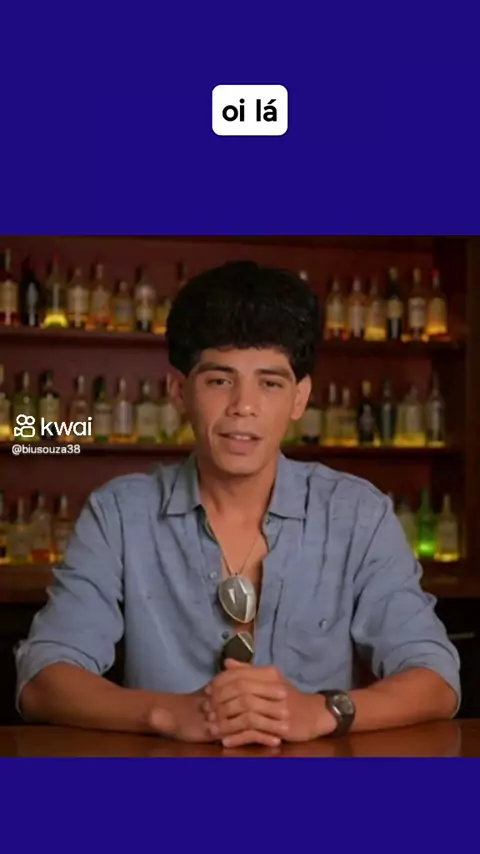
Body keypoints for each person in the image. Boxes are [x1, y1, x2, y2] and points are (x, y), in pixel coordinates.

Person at [15, 260, 460, 748]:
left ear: (300, 398)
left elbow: (436, 677)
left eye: (270, 383)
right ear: (179, 391)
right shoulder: (119, 513)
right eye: (219, 380)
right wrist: (169, 713)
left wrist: (322, 710)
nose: (243, 406)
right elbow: (42, 679)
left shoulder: (357, 513)